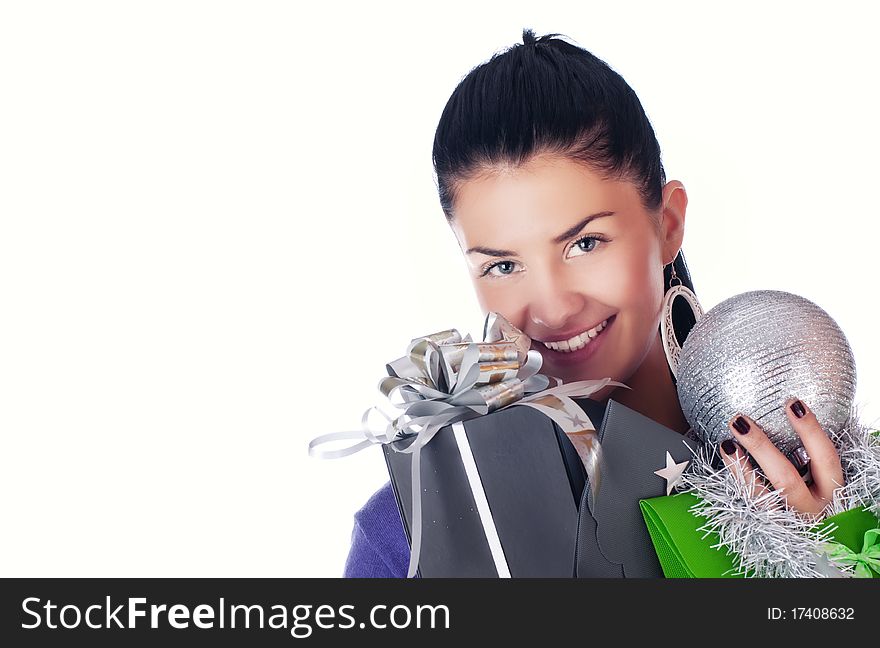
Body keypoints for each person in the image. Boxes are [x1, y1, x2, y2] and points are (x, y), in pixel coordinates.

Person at [343, 28, 844, 578]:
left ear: (668, 223)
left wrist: (823, 567)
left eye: (585, 243)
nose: (553, 309)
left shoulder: (836, 473)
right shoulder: (412, 534)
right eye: (503, 266)